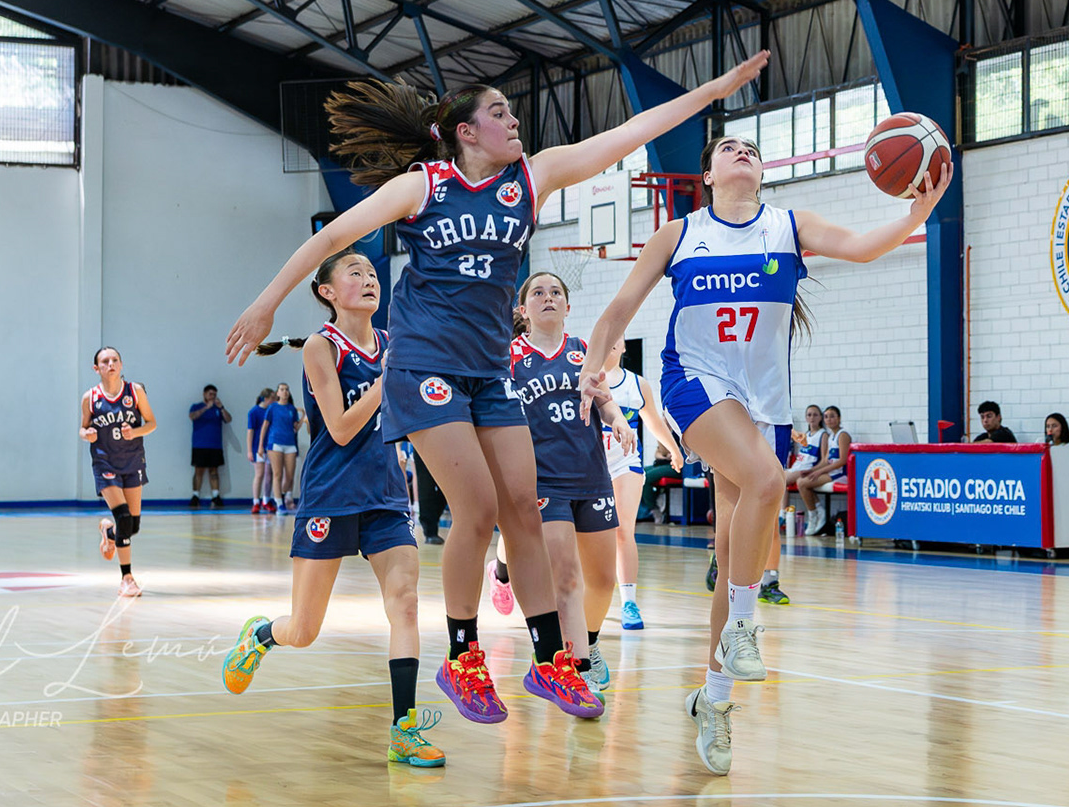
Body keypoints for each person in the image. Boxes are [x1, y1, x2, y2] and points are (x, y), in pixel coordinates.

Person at [226, 53, 769, 726]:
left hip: (488, 374)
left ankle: (551, 664)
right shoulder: (422, 186)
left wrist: (716, 89)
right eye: (500, 113)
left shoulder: (529, 180)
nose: (515, 122)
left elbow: (625, 136)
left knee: (525, 508)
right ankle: (462, 657)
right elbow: (334, 235)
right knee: (477, 509)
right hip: (423, 369)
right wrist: (266, 302)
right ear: (466, 132)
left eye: (514, 113)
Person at [582, 132, 950, 775]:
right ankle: (748, 626)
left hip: (764, 406)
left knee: (732, 555)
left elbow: (864, 248)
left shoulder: (788, 226)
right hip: (692, 382)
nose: (741, 151)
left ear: (763, 169)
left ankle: (714, 700)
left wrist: (917, 214)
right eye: (728, 147)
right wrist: (591, 365)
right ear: (709, 172)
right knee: (766, 480)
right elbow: (618, 310)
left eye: (751, 146)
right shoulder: (678, 234)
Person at [222, 251, 445, 767]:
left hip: (387, 494)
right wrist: (389, 379)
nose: (369, 280)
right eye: (355, 274)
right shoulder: (322, 348)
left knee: (406, 604)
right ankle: (260, 636)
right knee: (303, 631)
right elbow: (341, 427)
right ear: (327, 291)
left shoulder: (394, 344)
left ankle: (404, 728)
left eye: (372, 274)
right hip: (330, 492)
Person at [510, 271, 632, 702]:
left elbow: (604, 398)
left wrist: (617, 421)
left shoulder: (584, 351)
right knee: (567, 577)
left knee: (602, 580)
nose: (548, 297)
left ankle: (590, 643)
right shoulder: (508, 357)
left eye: (555, 292)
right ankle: (573, 670)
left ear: (567, 306)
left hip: (591, 474)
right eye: (537, 293)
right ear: (522, 311)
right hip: (543, 480)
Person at [601, 348, 682, 629]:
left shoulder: (637, 383)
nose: (612, 340)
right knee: (585, 536)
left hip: (625, 464)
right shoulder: (583, 375)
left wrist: (674, 449)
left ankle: (629, 602)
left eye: (618, 336)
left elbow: (654, 422)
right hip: (589, 466)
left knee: (623, 531)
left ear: (624, 346)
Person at [82, 348, 155, 598]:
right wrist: (87, 434)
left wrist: (134, 432)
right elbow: (82, 428)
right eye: (105, 361)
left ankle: (108, 532)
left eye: (115, 360)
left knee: (132, 526)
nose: (110, 364)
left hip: (133, 460)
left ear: (121, 365)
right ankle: (127, 578)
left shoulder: (135, 392)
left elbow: (151, 423)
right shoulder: (90, 397)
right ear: (97, 368)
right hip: (105, 463)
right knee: (123, 518)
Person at [794, 406, 850, 535]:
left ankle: (815, 514)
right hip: (831, 472)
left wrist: (819, 472)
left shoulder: (843, 435)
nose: (829, 419)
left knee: (802, 483)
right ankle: (817, 511)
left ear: (839, 418)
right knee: (802, 481)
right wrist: (812, 470)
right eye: (826, 417)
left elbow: (842, 460)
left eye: (832, 416)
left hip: (841, 473)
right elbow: (825, 460)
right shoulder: (831, 437)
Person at [189, 386, 231, 509]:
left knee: (214, 471)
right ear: (204, 394)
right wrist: (205, 408)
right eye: (210, 394)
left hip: (215, 445)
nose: (212, 396)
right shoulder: (196, 406)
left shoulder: (218, 409)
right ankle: (195, 495)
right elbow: (192, 416)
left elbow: (228, 419)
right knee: (198, 471)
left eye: (214, 394)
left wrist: (221, 408)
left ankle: (216, 496)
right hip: (200, 445)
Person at [264, 383, 302, 513]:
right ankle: (279, 503)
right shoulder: (272, 408)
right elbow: (265, 426)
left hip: (290, 444)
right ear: (277, 393)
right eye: (282, 389)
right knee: (277, 474)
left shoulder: (292, 409)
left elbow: (295, 428)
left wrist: (303, 418)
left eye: (287, 389)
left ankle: (284, 495)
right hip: (275, 443)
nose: (285, 392)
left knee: (290, 476)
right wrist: (260, 447)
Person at [246, 388, 274, 514]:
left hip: (271, 447)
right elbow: (250, 432)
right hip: (258, 448)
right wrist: (250, 450)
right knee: (259, 474)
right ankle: (256, 502)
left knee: (269, 476)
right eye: (272, 398)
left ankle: (266, 500)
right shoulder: (254, 412)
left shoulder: (272, 411)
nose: (274, 401)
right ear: (266, 399)